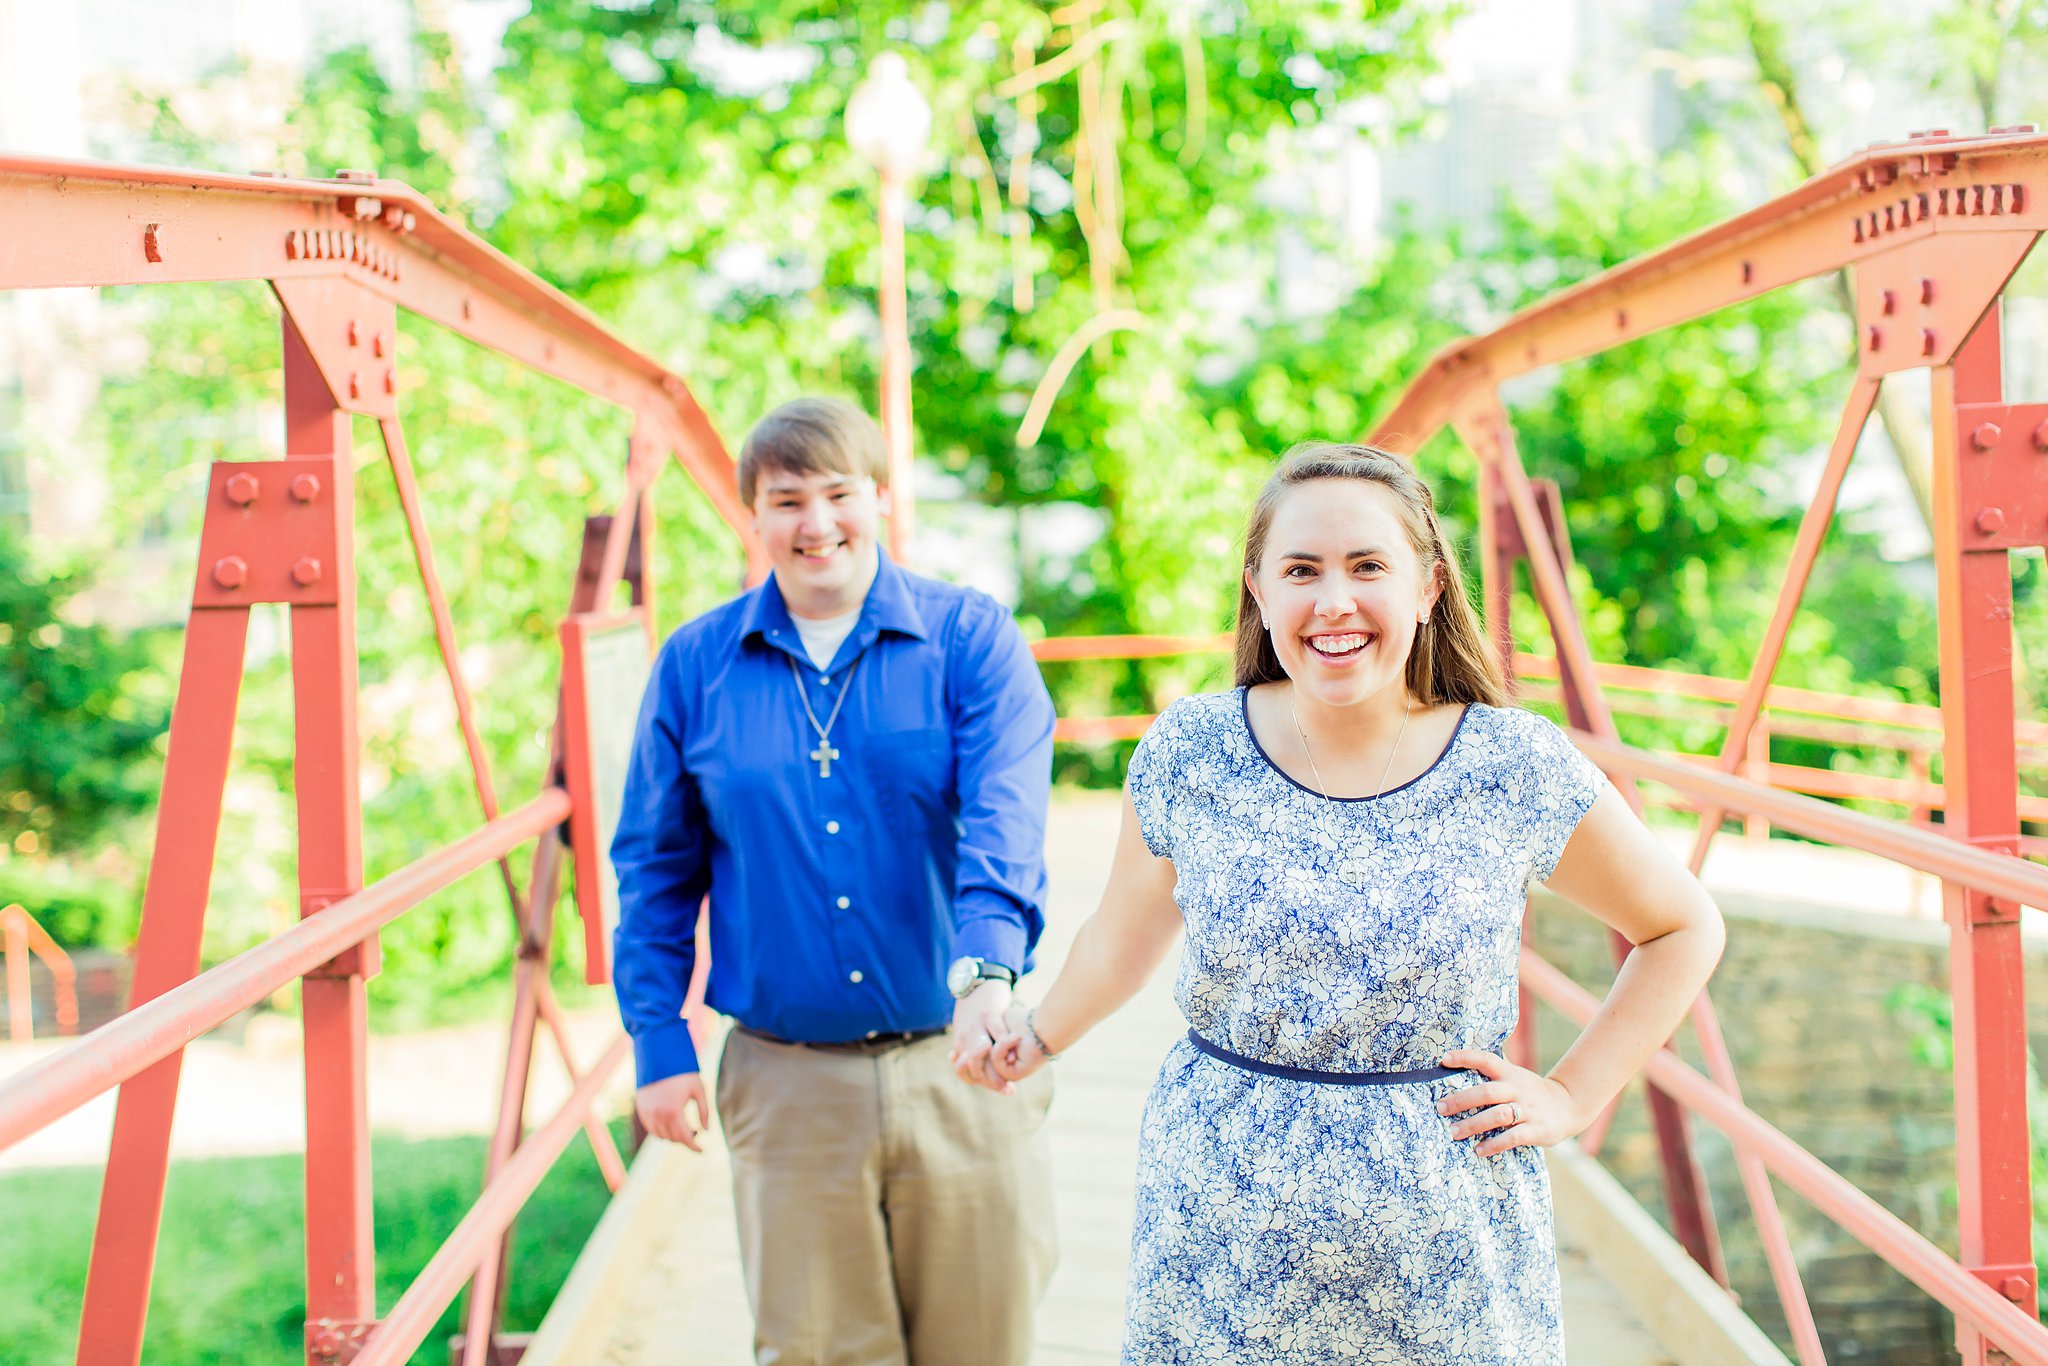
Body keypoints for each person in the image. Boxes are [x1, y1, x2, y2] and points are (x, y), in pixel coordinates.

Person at [964, 442, 1726, 1364]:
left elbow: (1681, 926)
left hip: (1442, 1247)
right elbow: (1121, 940)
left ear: (1429, 585)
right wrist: (1033, 1039)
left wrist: (1571, 1093)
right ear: (1258, 589)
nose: (1334, 601)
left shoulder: (1513, 766)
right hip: (1221, 1235)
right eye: (1301, 570)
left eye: (1369, 566)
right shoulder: (1190, 754)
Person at [610, 395, 1059, 1366]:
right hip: (786, 1079)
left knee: (986, 1345)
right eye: (784, 500)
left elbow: (1003, 823)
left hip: (962, 1058)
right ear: (752, 516)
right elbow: (652, 870)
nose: (815, 524)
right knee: (814, 1354)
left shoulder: (969, 641)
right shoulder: (694, 666)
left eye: (837, 493)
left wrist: (990, 970)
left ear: (881, 500)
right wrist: (657, 1040)